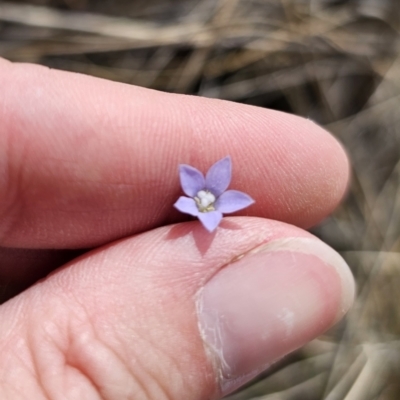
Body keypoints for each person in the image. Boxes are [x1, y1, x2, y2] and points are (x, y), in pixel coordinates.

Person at [0, 57, 355, 399]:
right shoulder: (194, 194)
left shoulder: (213, 201)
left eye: (208, 202)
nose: (205, 203)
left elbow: (208, 204)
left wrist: (202, 205)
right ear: (195, 194)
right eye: (202, 200)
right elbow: (195, 200)